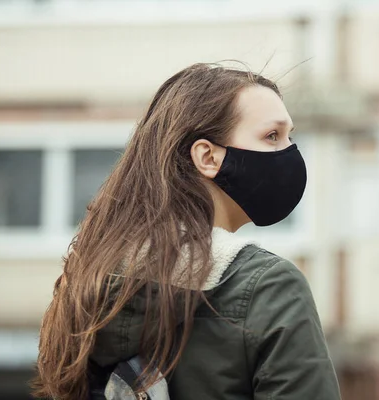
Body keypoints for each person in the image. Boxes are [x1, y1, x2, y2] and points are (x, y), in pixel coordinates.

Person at [31, 63, 341, 400]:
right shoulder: (269, 287)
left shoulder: (89, 283)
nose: (290, 153)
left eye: (289, 136)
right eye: (272, 136)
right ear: (208, 157)